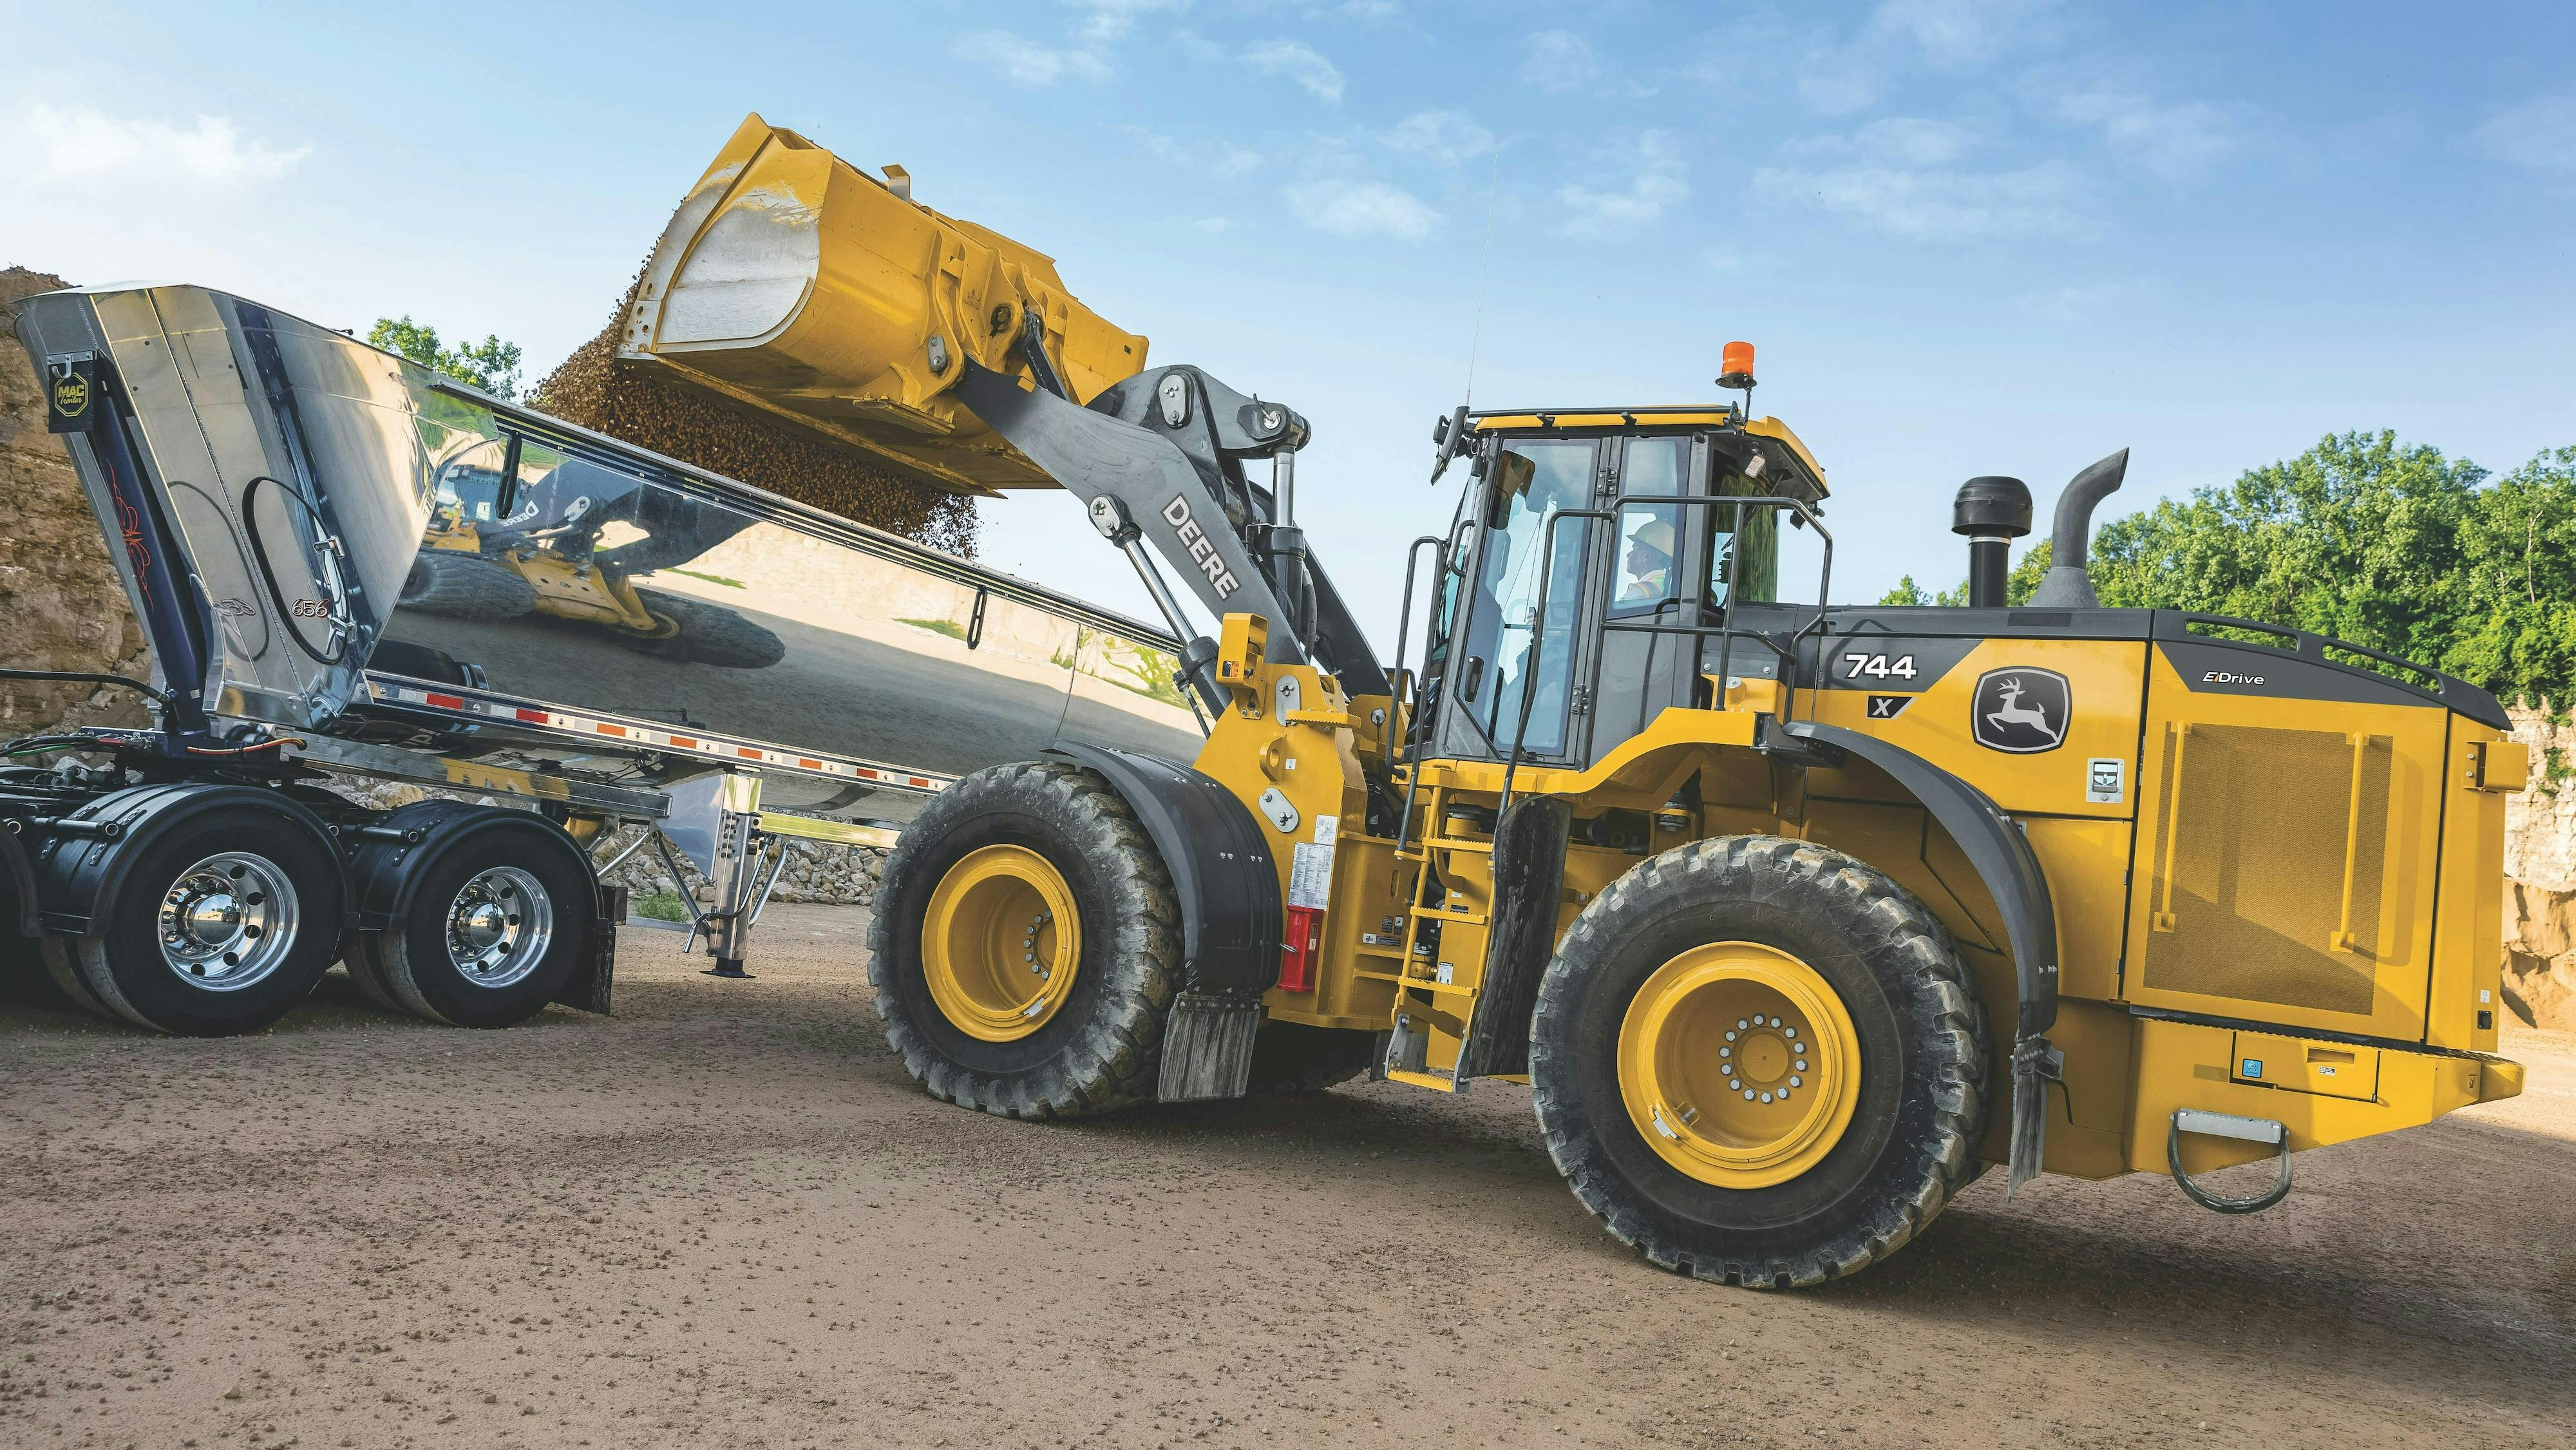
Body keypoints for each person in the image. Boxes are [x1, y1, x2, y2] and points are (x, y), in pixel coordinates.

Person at [1620, 516, 1674, 604]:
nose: (1628, 555)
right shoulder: (1669, 588)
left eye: (1634, 549)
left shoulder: (1642, 591)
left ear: (1646, 555)